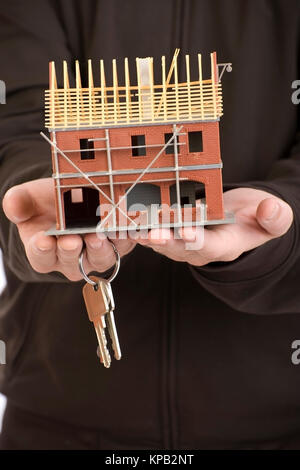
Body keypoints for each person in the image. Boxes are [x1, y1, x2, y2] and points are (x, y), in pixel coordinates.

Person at [0, 0, 299, 450]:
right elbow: (18, 123)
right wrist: (40, 188)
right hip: (54, 417)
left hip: (278, 424)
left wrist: (276, 238)